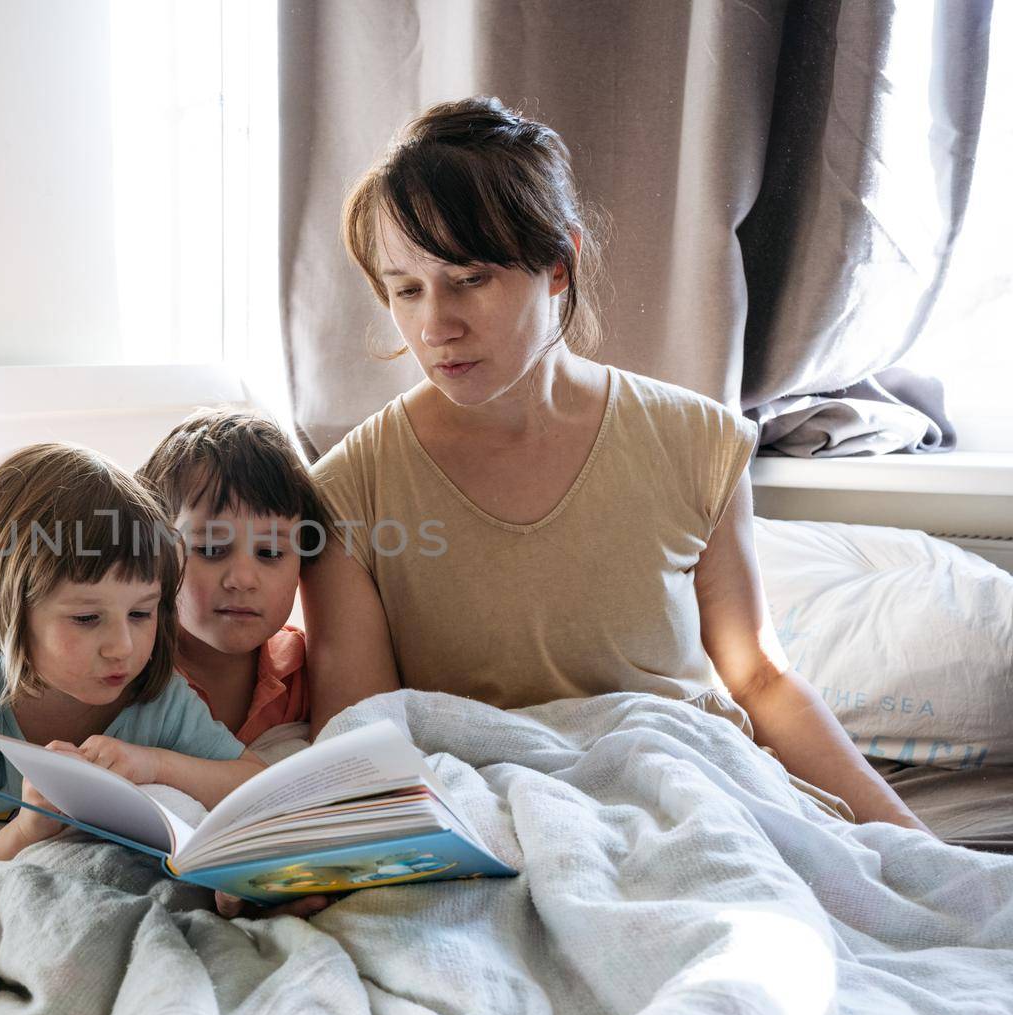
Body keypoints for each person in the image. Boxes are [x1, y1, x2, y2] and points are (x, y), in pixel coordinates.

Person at [304, 96, 928, 832]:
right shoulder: (347, 492)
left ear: (558, 265)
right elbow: (364, 738)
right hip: (495, 823)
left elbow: (758, 676)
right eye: (406, 289)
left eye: (469, 278)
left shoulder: (696, 441)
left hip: (691, 800)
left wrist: (911, 840)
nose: (434, 324)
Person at [0, 443, 266, 862]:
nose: (122, 647)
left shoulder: (160, 700)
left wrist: (155, 766)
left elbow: (258, 782)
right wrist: (26, 830)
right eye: (88, 618)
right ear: (9, 608)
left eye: (141, 613)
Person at [135, 408, 330, 744]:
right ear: (156, 554)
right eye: (211, 550)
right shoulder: (126, 670)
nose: (242, 579)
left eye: (269, 553)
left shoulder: (310, 675)